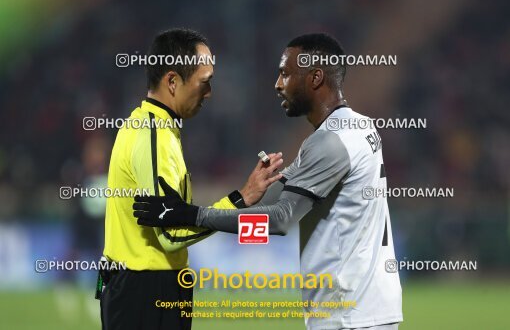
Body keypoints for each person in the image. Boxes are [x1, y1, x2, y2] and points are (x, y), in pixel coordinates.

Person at [133, 33, 403, 330]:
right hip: (368, 306)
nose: (277, 84)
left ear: (315, 78)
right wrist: (249, 193)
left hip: (351, 315)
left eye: (286, 74)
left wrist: (191, 215)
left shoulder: (329, 142)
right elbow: (291, 201)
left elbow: (280, 222)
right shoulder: (359, 126)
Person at [101, 28, 283, 330]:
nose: (209, 93)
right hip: (147, 290)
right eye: (204, 82)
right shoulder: (155, 136)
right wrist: (240, 200)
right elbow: (171, 235)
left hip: (141, 286)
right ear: (172, 81)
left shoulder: (146, 125)